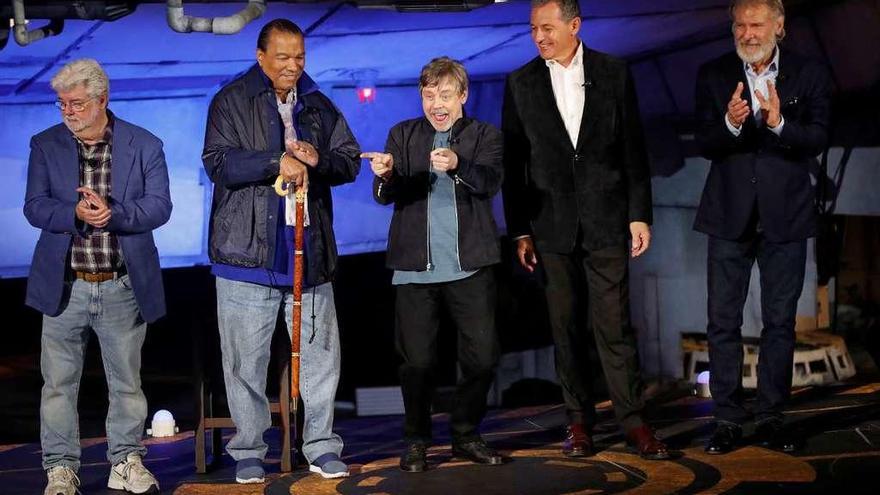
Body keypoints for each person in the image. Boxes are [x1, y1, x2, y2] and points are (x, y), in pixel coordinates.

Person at [501, 0, 669, 460]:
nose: (539, 36)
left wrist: (640, 214)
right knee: (565, 329)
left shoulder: (614, 72)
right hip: (550, 226)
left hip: (607, 220)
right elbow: (514, 166)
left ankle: (634, 423)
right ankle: (579, 423)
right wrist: (519, 231)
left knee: (614, 328)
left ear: (575, 25)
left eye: (548, 27)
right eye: (534, 28)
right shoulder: (519, 83)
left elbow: (633, 147)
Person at [202, 19, 360, 483]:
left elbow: (348, 159)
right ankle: (249, 449)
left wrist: (318, 159)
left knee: (320, 361)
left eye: (300, 57)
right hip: (246, 259)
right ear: (261, 57)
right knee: (244, 364)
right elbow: (218, 162)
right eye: (283, 57)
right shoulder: (231, 101)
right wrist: (277, 161)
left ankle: (321, 445)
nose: (293, 66)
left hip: (308, 257)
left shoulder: (318, 105)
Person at [24, 58, 171, 495]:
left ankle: (125, 460)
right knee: (58, 385)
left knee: (126, 383)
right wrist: (72, 212)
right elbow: (33, 207)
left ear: (101, 100)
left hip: (121, 284)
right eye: (62, 104)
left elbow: (160, 207)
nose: (67, 111)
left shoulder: (144, 144)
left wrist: (115, 214)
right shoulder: (45, 144)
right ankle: (61, 468)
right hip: (65, 286)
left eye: (76, 103)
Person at [695, 0, 832, 455]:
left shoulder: (810, 73)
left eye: (756, 24)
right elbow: (704, 143)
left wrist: (778, 122)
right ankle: (728, 419)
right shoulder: (713, 73)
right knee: (722, 323)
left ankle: (772, 415)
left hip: (786, 217)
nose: (748, 33)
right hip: (728, 215)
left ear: (779, 27)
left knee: (779, 324)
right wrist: (731, 125)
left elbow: (818, 137)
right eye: (740, 25)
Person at [363, 56, 506, 472]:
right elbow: (384, 196)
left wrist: (459, 166)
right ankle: (417, 439)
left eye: (445, 95)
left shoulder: (484, 135)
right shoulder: (403, 135)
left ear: (463, 95)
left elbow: (491, 181)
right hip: (415, 268)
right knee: (418, 362)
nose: (437, 104)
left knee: (482, 358)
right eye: (429, 95)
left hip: (471, 265)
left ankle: (465, 433)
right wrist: (385, 175)